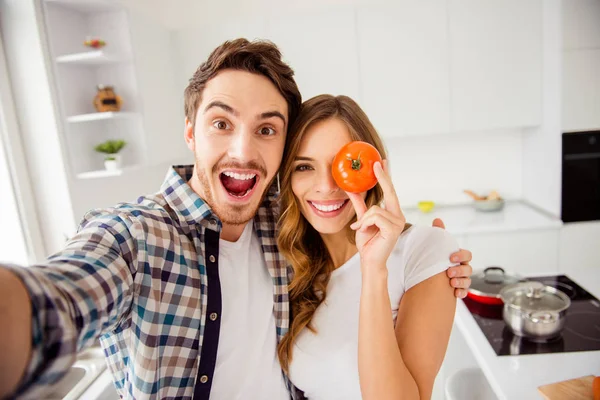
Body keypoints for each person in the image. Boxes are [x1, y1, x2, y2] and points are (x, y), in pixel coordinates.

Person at [0, 39, 473, 400]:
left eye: (266, 129)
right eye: (222, 123)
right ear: (190, 131)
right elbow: (60, 294)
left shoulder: (283, 224)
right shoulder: (134, 237)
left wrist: (426, 263)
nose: (244, 151)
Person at [276, 94, 459, 400]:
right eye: (304, 167)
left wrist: (373, 270)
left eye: (341, 166)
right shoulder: (293, 267)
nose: (325, 186)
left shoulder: (422, 250)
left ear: (374, 171)